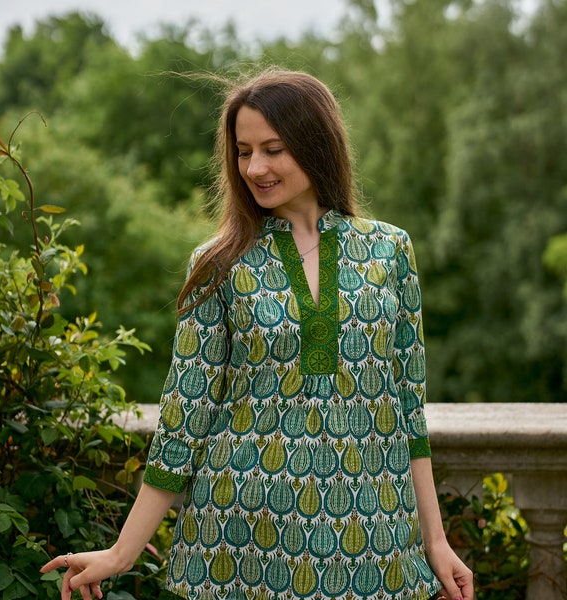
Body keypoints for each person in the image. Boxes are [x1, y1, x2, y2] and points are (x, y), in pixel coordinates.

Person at [41, 68, 473, 600]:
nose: (256, 167)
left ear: (316, 145)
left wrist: (435, 541)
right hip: (241, 544)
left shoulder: (390, 250)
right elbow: (186, 414)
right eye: (244, 151)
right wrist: (121, 552)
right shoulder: (218, 263)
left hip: (375, 545)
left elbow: (407, 412)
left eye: (274, 148)